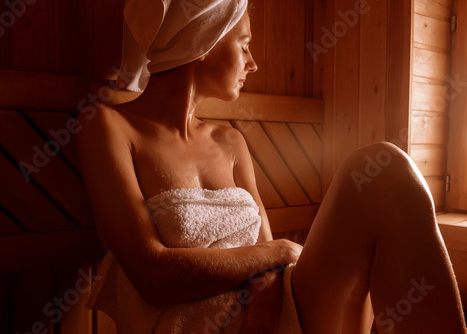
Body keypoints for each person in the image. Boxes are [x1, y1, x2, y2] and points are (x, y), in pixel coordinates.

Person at [76, 0, 467, 333]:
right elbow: (151, 274)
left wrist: (265, 292)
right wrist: (281, 251)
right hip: (195, 322)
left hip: (271, 312)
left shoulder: (229, 141)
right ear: (204, 42)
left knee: (384, 172)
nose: (253, 63)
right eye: (244, 45)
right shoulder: (108, 126)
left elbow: (264, 252)